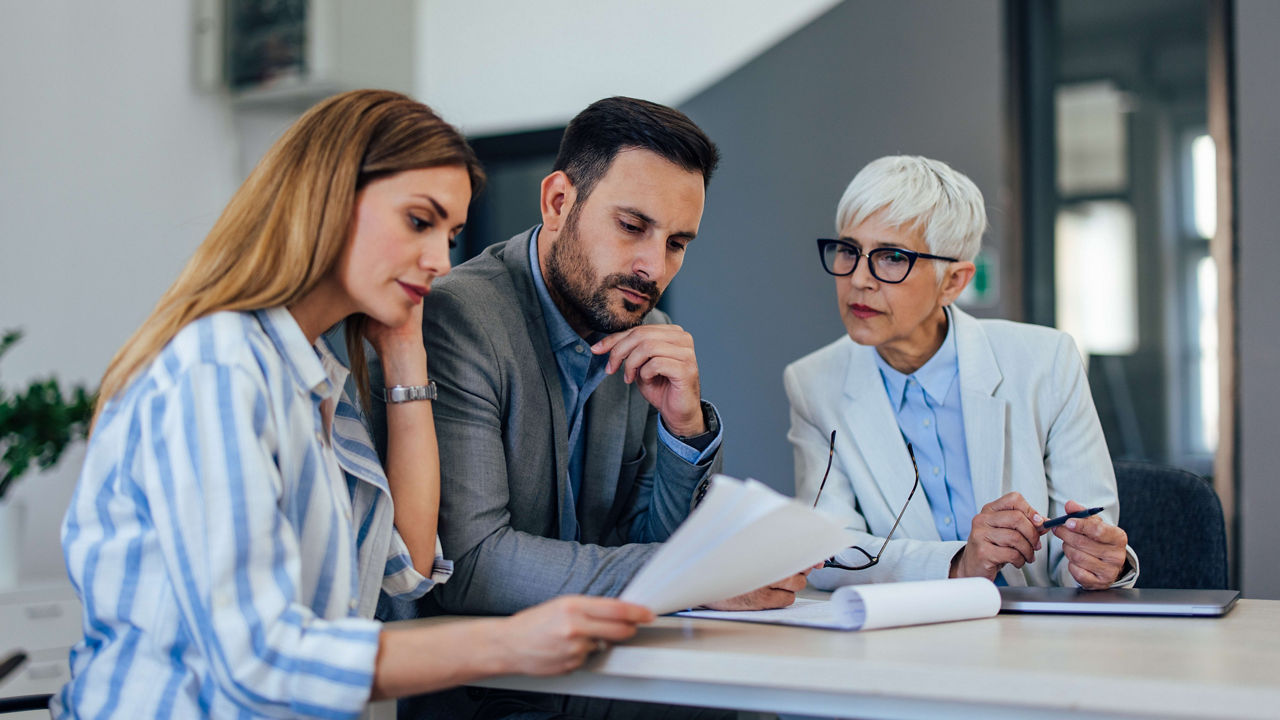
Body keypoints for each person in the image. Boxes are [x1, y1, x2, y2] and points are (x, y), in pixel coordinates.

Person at [54, 89, 654, 720]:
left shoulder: (319, 383)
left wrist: (404, 353)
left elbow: (408, 565)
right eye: (419, 222)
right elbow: (258, 659)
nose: (439, 264)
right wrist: (506, 643)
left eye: (450, 236)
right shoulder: (221, 366)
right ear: (328, 199)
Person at [380, 97, 807, 719]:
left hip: (609, 679)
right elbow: (471, 565)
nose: (653, 267)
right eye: (632, 227)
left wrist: (682, 429)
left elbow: (646, 538)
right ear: (557, 203)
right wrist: (702, 576)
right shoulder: (459, 316)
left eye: (677, 242)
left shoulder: (643, 324)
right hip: (493, 695)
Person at [785, 155, 1139, 591]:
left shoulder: (1046, 361)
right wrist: (957, 563)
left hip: (1035, 639)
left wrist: (1103, 565)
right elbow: (827, 553)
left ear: (953, 282)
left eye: (891, 257)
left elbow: (1084, 540)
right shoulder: (813, 383)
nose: (859, 279)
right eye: (849, 250)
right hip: (903, 641)